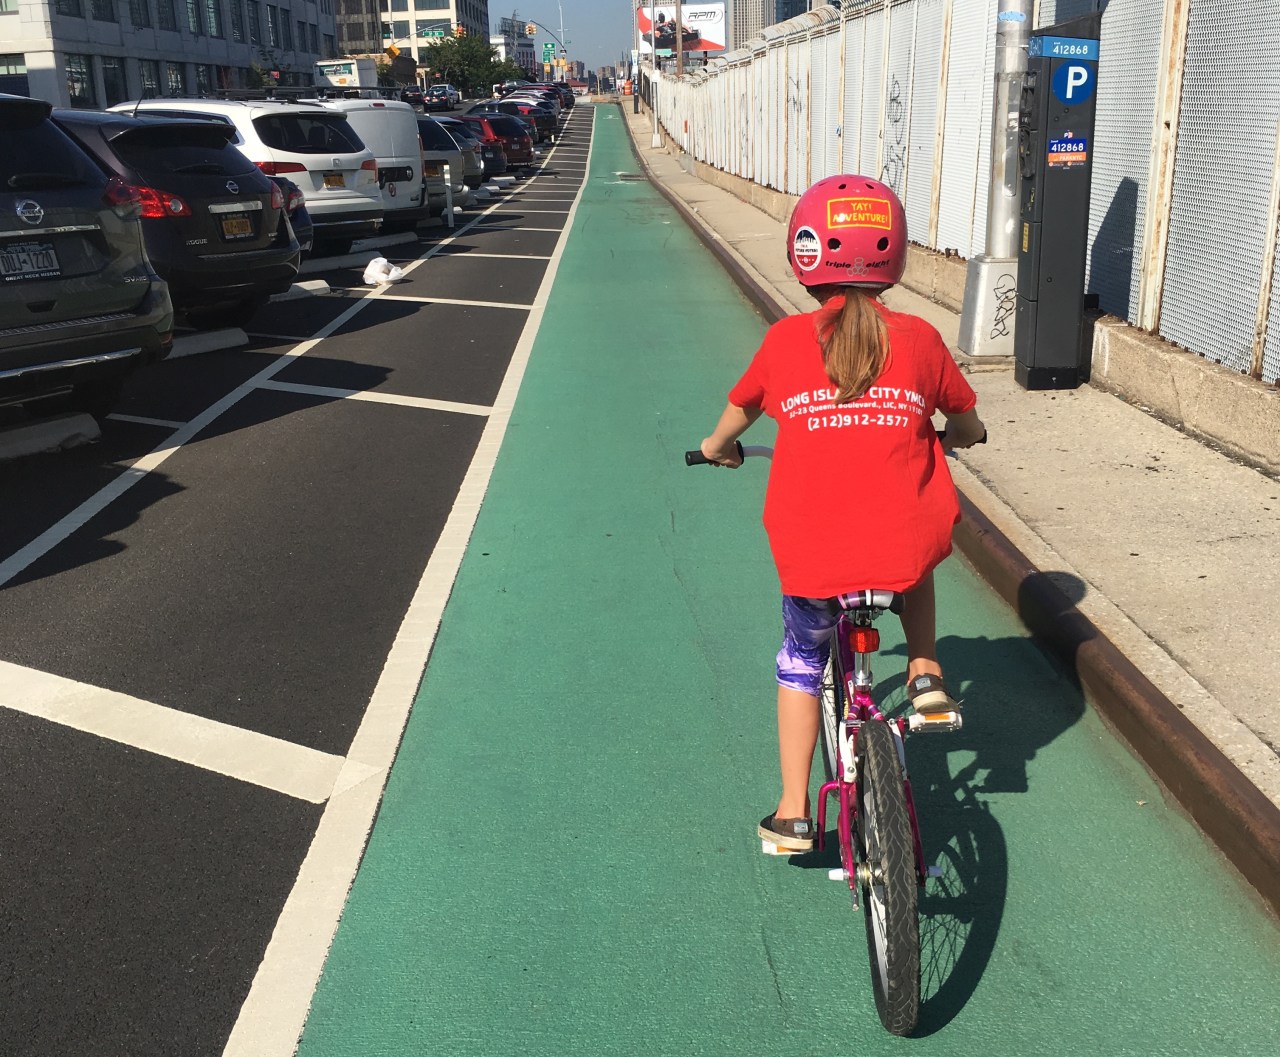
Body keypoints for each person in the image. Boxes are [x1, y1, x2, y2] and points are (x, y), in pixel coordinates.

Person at [698, 175, 986, 853]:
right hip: (899, 547)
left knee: (802, 658)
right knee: (916, 546)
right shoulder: (918, 340)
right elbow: (965, 419)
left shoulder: (785, 343)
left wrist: (718, 448)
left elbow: (737, 413)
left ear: (806, 257)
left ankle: (795, 810)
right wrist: (961, 437)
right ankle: (923, 670)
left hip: (812, 554)